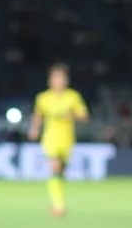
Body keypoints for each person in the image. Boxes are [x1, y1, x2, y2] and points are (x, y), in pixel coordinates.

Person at [28, 63, 89, 217]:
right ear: (50, 80)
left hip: (67, 139)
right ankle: (59, 205)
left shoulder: (73, 97)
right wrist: (34, 129)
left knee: (61, 172)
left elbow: (84, 117)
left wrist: (73, 116)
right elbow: (38, 115)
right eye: (56, 78)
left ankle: (57, 196)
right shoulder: (43, 98)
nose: (59, 81)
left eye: (62, 78)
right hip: (50, 138)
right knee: (54, 167)